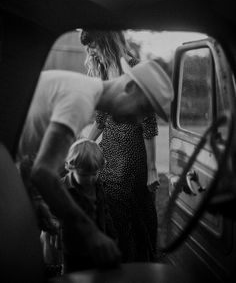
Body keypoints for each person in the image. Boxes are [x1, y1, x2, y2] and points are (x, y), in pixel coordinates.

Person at [17, 51, 174, 269]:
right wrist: (91, 234)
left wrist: (36, 202)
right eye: (142, 109)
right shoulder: (80, 100)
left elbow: (27, 152)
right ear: (129, 88)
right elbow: (43, 173)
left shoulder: (86, 92)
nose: (139, 120)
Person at [81, 30, 160, 262]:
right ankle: (121, 262)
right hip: (109, 154)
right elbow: (101, 119)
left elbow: (149, 123)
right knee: (113, 216)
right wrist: (83, 142)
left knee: (137, 215)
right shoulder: (106, 72)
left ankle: (141, 263)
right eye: (88, 47)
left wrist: (152, 168)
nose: (90, 52)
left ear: (107, 42)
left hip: (133, 156)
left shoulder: (135, 70)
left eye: (93, 46)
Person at [61, 138, 117, 272]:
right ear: (71, 167)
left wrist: (112, 236)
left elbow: (104, 211)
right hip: (74, 249)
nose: (91, 179)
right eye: (84, 175)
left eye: (94, 174)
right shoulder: (61, 188)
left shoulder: (98, 186)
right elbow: (51, 211)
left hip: (97, 245)